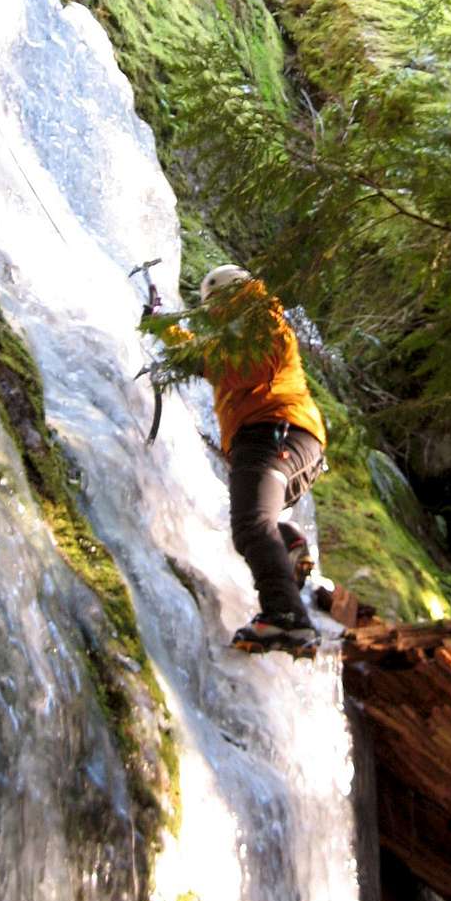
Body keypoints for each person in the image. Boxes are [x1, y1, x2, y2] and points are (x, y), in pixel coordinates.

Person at [166, 264, 327, 655]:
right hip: (282, 438)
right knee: (255, 523)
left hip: (276, 432)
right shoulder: (249, 324)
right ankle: (290, 547)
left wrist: (178, 344)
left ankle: (286, 617)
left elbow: (240, 366)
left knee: (251, 524)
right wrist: (170, 334)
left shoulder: (260, 320)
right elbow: (220, 359)